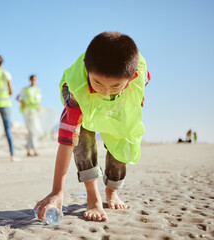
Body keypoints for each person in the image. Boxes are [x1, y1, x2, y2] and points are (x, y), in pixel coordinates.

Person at [35, 31, 151, 222]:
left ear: (130, 78)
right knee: (83, 140)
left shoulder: (138, 73)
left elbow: (143, 79)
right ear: (88, 72)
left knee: (122, 141)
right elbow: (66, 141)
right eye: (98, 82)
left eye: (114, 86)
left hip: (121, 100)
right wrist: (57, 191)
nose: (104, 91)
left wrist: (139, 94)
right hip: (82, 98)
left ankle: (112, 191)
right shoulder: (77, 91)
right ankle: (93, 196)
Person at [16, 75, 42, 157]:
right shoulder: (25, 89)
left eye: (35, 80)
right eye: (33, 79)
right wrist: (22, 102)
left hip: (35, 112)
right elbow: (17, 98)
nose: (34, 81)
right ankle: (34, 149)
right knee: (32, 130)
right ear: (30, 80)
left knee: (33, 131)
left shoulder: (38, 90)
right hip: (27, 112)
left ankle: (29, 150)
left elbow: (38, 103)